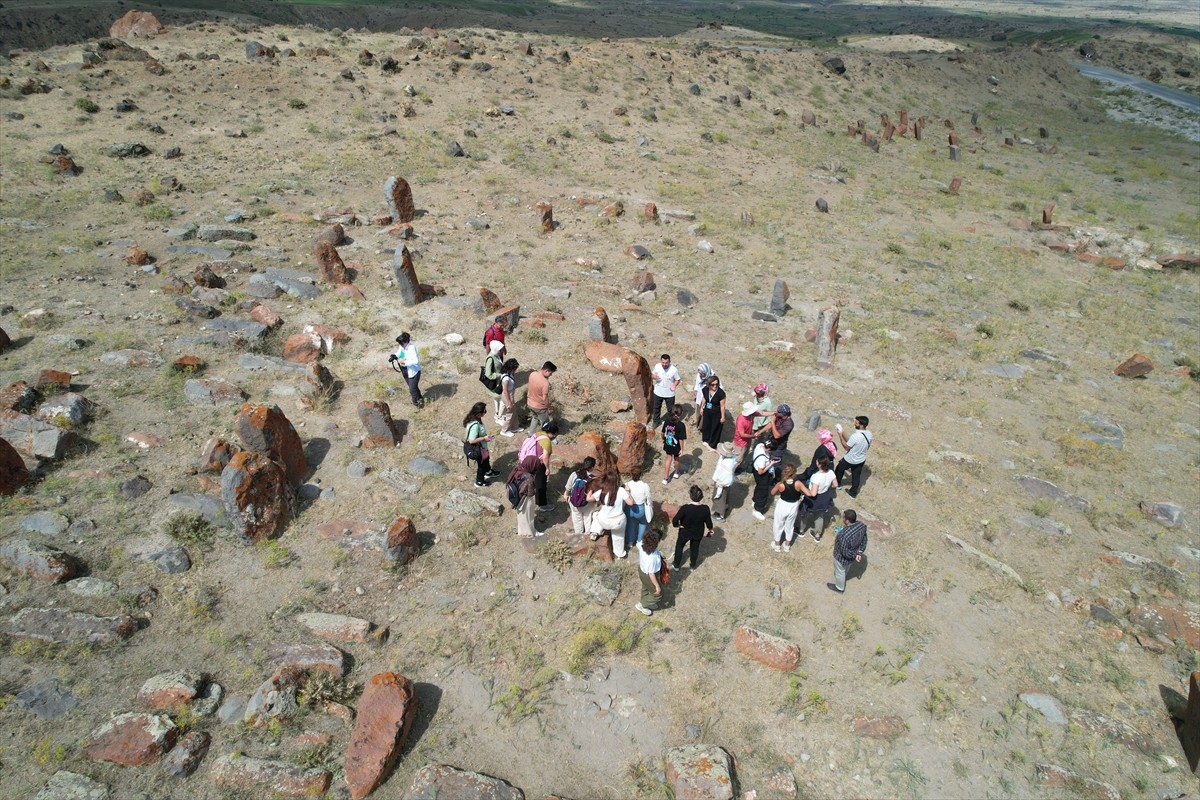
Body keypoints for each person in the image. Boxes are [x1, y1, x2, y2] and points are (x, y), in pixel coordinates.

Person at [770, 464, 811, 552]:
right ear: (794, 473)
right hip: (793, 505)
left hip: (782, 504)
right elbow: (808, 493)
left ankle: (777, 544)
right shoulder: (798, 483)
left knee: (778, 524)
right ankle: (787, 545)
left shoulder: (780, 484)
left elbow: (772, 493)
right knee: (790, 525)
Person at [671, 484, 713, 570]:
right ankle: (692, 566)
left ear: (690, 495)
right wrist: (710, 529)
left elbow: (675, 520)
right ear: (701, 497)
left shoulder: (685, 508)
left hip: (685, 532)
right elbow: (708, 522)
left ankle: (676, 565)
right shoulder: (705, 509)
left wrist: (678, 525)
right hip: (698, 533)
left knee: (679, 546)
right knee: (695, 549)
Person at [588, 472, 630, 558]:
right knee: (618, 537)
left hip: (604, 521)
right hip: (618, 521)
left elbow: (588, 499)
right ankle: (619, 554)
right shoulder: (621, 491)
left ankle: (595, 532)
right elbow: (630, 503)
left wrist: (590, 491)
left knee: (596, 514)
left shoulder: (602, 491)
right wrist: (628, 491)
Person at [518, 421, 558, 511]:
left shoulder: (538, 434)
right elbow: (545, 457)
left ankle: (526, 493)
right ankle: (542, 504)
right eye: (555, 434)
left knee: (528, 479)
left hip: (527, 461)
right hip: (538, 464)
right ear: (552, 433)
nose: (554, 437)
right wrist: (547, 468)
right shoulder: (546, 441)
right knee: (541, 484)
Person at [800, 455, 838, 542]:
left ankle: (801, 530)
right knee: (819, 516)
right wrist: (827, 486)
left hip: (814, 499)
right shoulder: (831, 472)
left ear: (819, 464)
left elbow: (813, 493)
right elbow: (835, 485)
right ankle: (817, 535)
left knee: (804, 513)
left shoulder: (816, 476)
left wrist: (804, 489)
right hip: (824, 497)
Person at [829, 508, 868, 593]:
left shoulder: (844, 535)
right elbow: (864, 539)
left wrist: (855, 554)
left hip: (841, 558)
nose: (842, 518)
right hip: (853, 556)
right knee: (846, 569)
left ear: (847, 521)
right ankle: (844, 576)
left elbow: (845, 553)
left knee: (840, 571)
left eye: (843, 517)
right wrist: (859, 552)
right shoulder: (861, 525)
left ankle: (839, 588)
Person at [834, 416, 873, 499]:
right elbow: (867, 446)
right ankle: (853, 494)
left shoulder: (855, 436)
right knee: (856, 476)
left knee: (839, 469)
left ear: (861, 425)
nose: (854, 424)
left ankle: (837, 484)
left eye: (856, 423)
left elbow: (846, 447)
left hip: (850, 459)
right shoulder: (869, 434)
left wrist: (840, 435)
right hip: (861, 459)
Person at [462, 402, 497, 487]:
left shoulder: (474, 419)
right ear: (478, 413)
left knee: (486, 459)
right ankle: (479, 481)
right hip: (479, 449)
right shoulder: (475, 426)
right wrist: (484, 438)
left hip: (482, 447)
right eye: (484, 411)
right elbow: (471, 440)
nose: (486, 412)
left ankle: (488, 472)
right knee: (481, 465)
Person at [508, 454, 542, 537]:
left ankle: (521, 530)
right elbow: (530, 493)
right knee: (528, 516)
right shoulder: (529, 478)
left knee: (521, 514)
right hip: (525, 499)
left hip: (517, 496)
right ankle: (530, 533)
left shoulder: (519, 468)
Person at [389, 332, 423, 408]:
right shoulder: (402, 346)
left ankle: (417, 405)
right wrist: (394, 356)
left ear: (406, 341)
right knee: (413, 387)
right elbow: (399, 353)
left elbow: (415, 361)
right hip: (405, 370)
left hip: (414, 372)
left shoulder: (411, 348)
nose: (400, 345)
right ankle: (420, 398)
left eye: (401, 344)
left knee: (412, 389)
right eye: (400, 344)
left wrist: (405, 362)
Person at [635, 529, 665, 616]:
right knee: (657, 594)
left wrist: (658, 553)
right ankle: (642, 605)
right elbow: (651, 574)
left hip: (642, 570)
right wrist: (657, 586)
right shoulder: (651, 558)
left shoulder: (641, 543)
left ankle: (646, 601)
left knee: (646, 587)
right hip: (649, 575)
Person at [564, 457, 597, 537]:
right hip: (587, 504)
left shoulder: (575, 474)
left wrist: (566, 495)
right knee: (587, 518)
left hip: (574, 502)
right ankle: (587, 535)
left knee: (577, 519)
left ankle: (578, 535)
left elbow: (568, 488)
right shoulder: (594, 479)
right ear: (592, 467)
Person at [750, 440, 781, 520]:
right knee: (763, 492)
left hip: (755, 469)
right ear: (768, 449)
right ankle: (757, 510)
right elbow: (761, 472)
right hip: (760, 474)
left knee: (759, 487)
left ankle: (755, 500)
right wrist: (771, 464)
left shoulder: (759, 444)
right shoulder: (762, 459)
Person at [650, 353, 681, 429]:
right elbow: (652, 375)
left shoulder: (674, 370)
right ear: (661, 361)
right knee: (656, 408)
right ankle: (656, 422)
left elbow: (677, 379)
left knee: (671, 410)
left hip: (669, 394)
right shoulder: (657, 366)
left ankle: (670, 423)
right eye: (663, 362)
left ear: (669, 362)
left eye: (666, 363)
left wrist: (674, 385)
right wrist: (654, 377)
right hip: (658, 392)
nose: (664, 364)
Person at [527, 361, 556, 435]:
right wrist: (549, 407)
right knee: (545, 423)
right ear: (546, 371)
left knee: (535, 418)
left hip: (530, 403)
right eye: (550, 373)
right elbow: (545, 398)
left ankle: (531, 434)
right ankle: (546, 437)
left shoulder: (532, 374)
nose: (551, 375)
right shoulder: (545, 383)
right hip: (539, 407)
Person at [710, 442, 738, 521]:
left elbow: (725, 475)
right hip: (725, 484)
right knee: (725, 497)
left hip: (721, 483)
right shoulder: (732, 459)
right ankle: (726, 506)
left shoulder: (726, 464)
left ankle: (720, 515)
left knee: (719, 499)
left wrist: (720, 484)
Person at [699, 374, 726, 450]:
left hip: (717, 413)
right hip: (707, 410)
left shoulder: (721, 393)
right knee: (706, 425)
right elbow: (704, 398)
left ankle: (713, 444)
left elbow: (722, 406)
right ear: (708, 384)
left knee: (715, 427)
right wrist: (701, 407)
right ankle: (706, 439)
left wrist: (723, 417)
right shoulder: (705, 389)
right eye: (712, 384)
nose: (715, 386)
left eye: (717, 384)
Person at [661, 407, 687, 484]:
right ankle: (676, 472)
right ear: (681, 414)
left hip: (668, 444)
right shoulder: (681, 425)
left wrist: (663, 439)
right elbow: (681, 439)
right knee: (676, 459)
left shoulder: (667, 421)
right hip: (676, 446)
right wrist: (682, 449)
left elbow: (662, 433)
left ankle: (666, 478)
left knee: (668, 459)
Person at [482, 340, 505, 421]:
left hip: (498, 382)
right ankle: (498, 416)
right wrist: (500, 375)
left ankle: (497, 413)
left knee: (497, 399)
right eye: (500, 349)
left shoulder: (496, 356)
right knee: (501, 398)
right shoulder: (490, 358)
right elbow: (488, 374)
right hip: (495, 382)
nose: (501, 351)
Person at [496, 358, 520, 437]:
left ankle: (514, 427)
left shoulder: (509, 374)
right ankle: (504, 430)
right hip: (508, 396)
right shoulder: (506, 378)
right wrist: (509, 402)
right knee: (510, 413)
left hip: (510, 394)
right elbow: (505, 391)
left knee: (514, 411)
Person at [732, 401, 758, 473]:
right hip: (740, 442)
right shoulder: (741, 420)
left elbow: (761, 413)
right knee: (738, 458)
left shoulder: (751, 415)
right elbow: (742, 434)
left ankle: (738, 468)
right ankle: (731, 471)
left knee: (744, 455)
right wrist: (753, 436)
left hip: (747, 439)